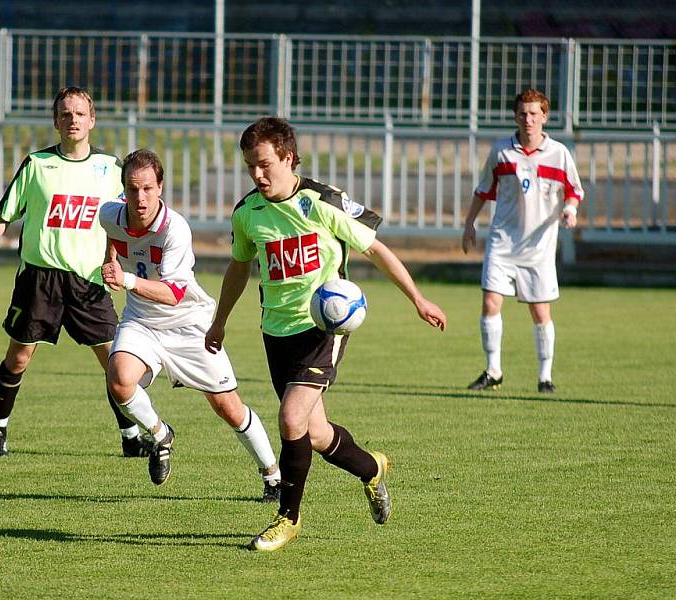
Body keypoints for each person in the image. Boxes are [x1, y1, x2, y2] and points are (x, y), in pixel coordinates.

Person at [204, 116, 447, 552]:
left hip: (323, 327)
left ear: (288, 158)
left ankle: (287, 518)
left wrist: (418, 299)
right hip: (275, 333)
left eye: (264, 165)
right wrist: (220, 321)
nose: (257, 175)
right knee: (314, 434)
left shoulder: (322, 202)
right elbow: (239, 267)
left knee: (291, 418)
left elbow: (374, 248)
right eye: (250, 167)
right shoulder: (247, 213)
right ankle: (371, 468)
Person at [0, 86, 151, 458]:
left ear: (92, 120)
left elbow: (124, 222)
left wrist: (115, 260)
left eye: (80, 114)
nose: (73, 120)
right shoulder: (37, 165)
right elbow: (4, 213)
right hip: (40, 279)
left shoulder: (111, 169)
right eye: (66, 114)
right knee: (18, 357)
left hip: (89, 282)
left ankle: (131, 436)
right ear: (56, 121)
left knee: (116, 362)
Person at [99, 148, 281, 500]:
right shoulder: (110, 214)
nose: (141, 198)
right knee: (119, 381)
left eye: (148, 188)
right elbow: (114, 240)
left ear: (161, 187)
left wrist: (126, 281)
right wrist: (110, 263)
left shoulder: (174, 229)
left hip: (187, 324)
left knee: (227, 406)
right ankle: (161, 434)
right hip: (141, 321)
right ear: (123, 190)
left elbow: (173, 294)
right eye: (133, 190)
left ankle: (272, 475)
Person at [462, 88, 583, 394]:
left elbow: (574, 191)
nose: (528, 119)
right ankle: (493, 370)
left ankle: (545, 377)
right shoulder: (502, 151)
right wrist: (469, 224)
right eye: (522, 113)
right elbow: (483, 190)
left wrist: (569, 209)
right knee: (490, 302)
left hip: (539, 247)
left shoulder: (559, 153)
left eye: (534, 113)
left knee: (540, 312)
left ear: (545, 116)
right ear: (515, 116)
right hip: (502, 242)